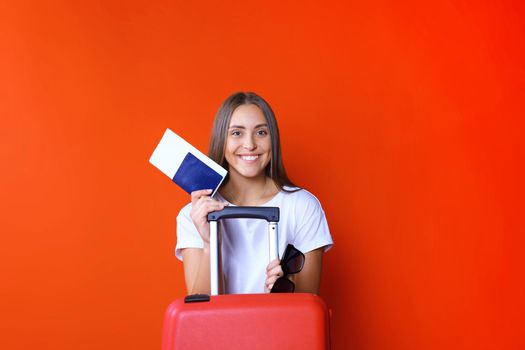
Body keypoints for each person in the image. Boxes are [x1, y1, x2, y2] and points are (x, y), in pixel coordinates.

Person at [175, 92, 333, 295]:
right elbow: (198, 310)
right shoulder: (195, 214)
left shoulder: (303, 207)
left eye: (261, 133)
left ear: (273, 139)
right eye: (236, 133)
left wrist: (285, 287)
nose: (249, 145)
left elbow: (309, 306)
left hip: (280, 326)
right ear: (221, 140)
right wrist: (209, 244)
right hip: (221, 327)